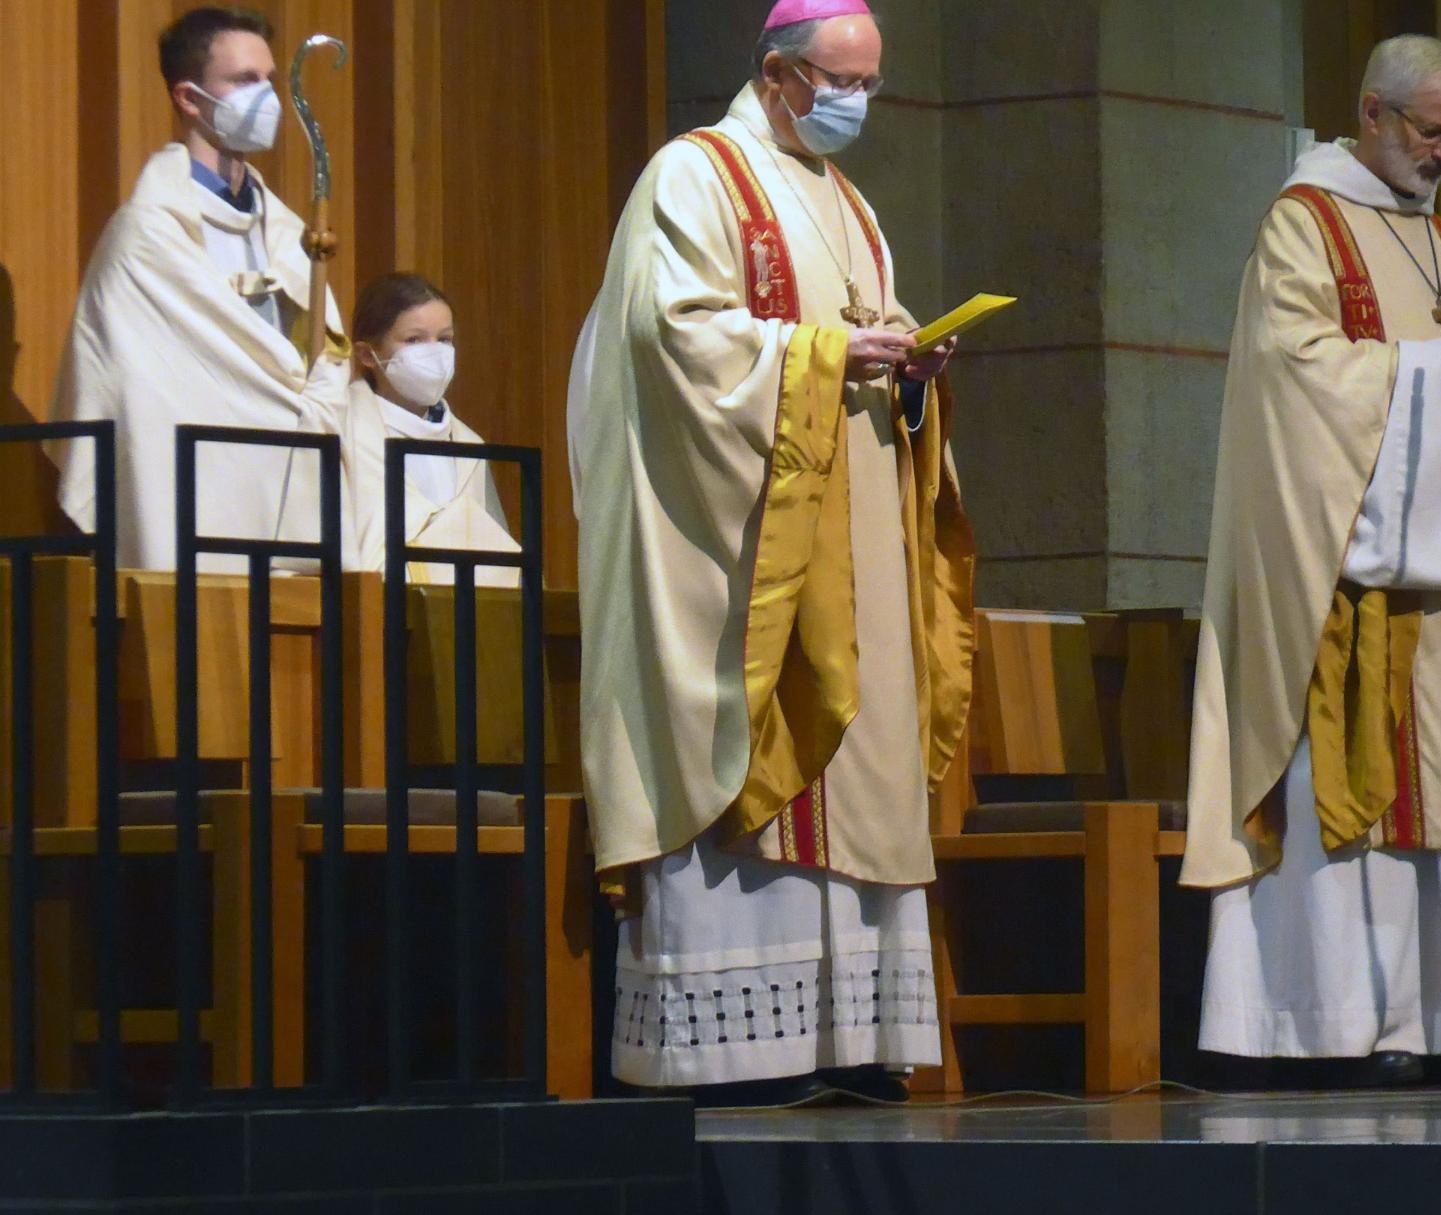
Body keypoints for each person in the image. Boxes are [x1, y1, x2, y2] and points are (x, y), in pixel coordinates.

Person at [567, 0, 972, 1106]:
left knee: (858, 763)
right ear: (780, 73)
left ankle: (848, 1044)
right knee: (755, 744)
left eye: (872, 85)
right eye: (840, 81)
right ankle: (737, 1059)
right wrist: (826, 354)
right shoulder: (694, 176)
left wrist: (910, 369)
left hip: (852, 536)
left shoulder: (850, 205)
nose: (855, 104)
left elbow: (858, 339)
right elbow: (668, 336)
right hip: (741, 546)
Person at [1180, 35, 1441, 1089]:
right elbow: (1293, 375)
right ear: (1373, 115)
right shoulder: (1303, 226)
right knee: (1357, 789)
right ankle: (1342, 1024)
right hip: (1344, 579)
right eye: (1429, 131)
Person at [50, 6, 348, 571]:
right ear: (189, 98)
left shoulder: (288, 231)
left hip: (296, 495)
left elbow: (325, 356)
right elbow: (144, 393)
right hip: (196, 505)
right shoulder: (145, 236)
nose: (267, 98)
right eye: (243, 81)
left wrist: (316, 396)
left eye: (268, 80)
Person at [341, 272, 518, 587]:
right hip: (376, 610)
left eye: (445, 339)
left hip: (463, 610)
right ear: (367, 354)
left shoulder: (468, 445)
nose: (435, 352)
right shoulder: (344, 431)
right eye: (414, 340)